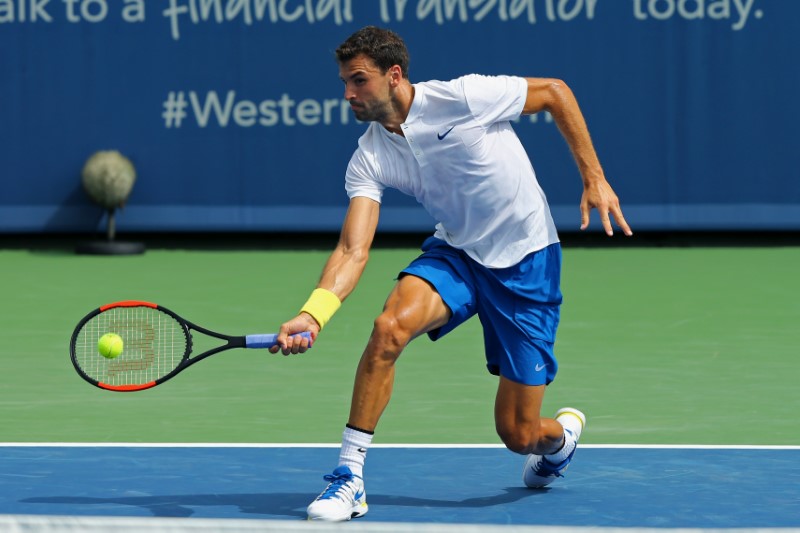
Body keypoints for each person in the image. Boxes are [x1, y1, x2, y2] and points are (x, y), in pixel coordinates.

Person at [270, 25, 632, 522]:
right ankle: (348, 477)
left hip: (528, 260)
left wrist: (594, 178)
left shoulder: (463, 98)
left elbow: (555, 92)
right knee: (388, 328)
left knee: (518, 434)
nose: (348, 94)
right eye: (345, 83)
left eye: (358, 81)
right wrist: (313, 315)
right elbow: (353, 250)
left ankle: (560, 441)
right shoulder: (370, 156)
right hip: (458, 253)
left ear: (394, 76)